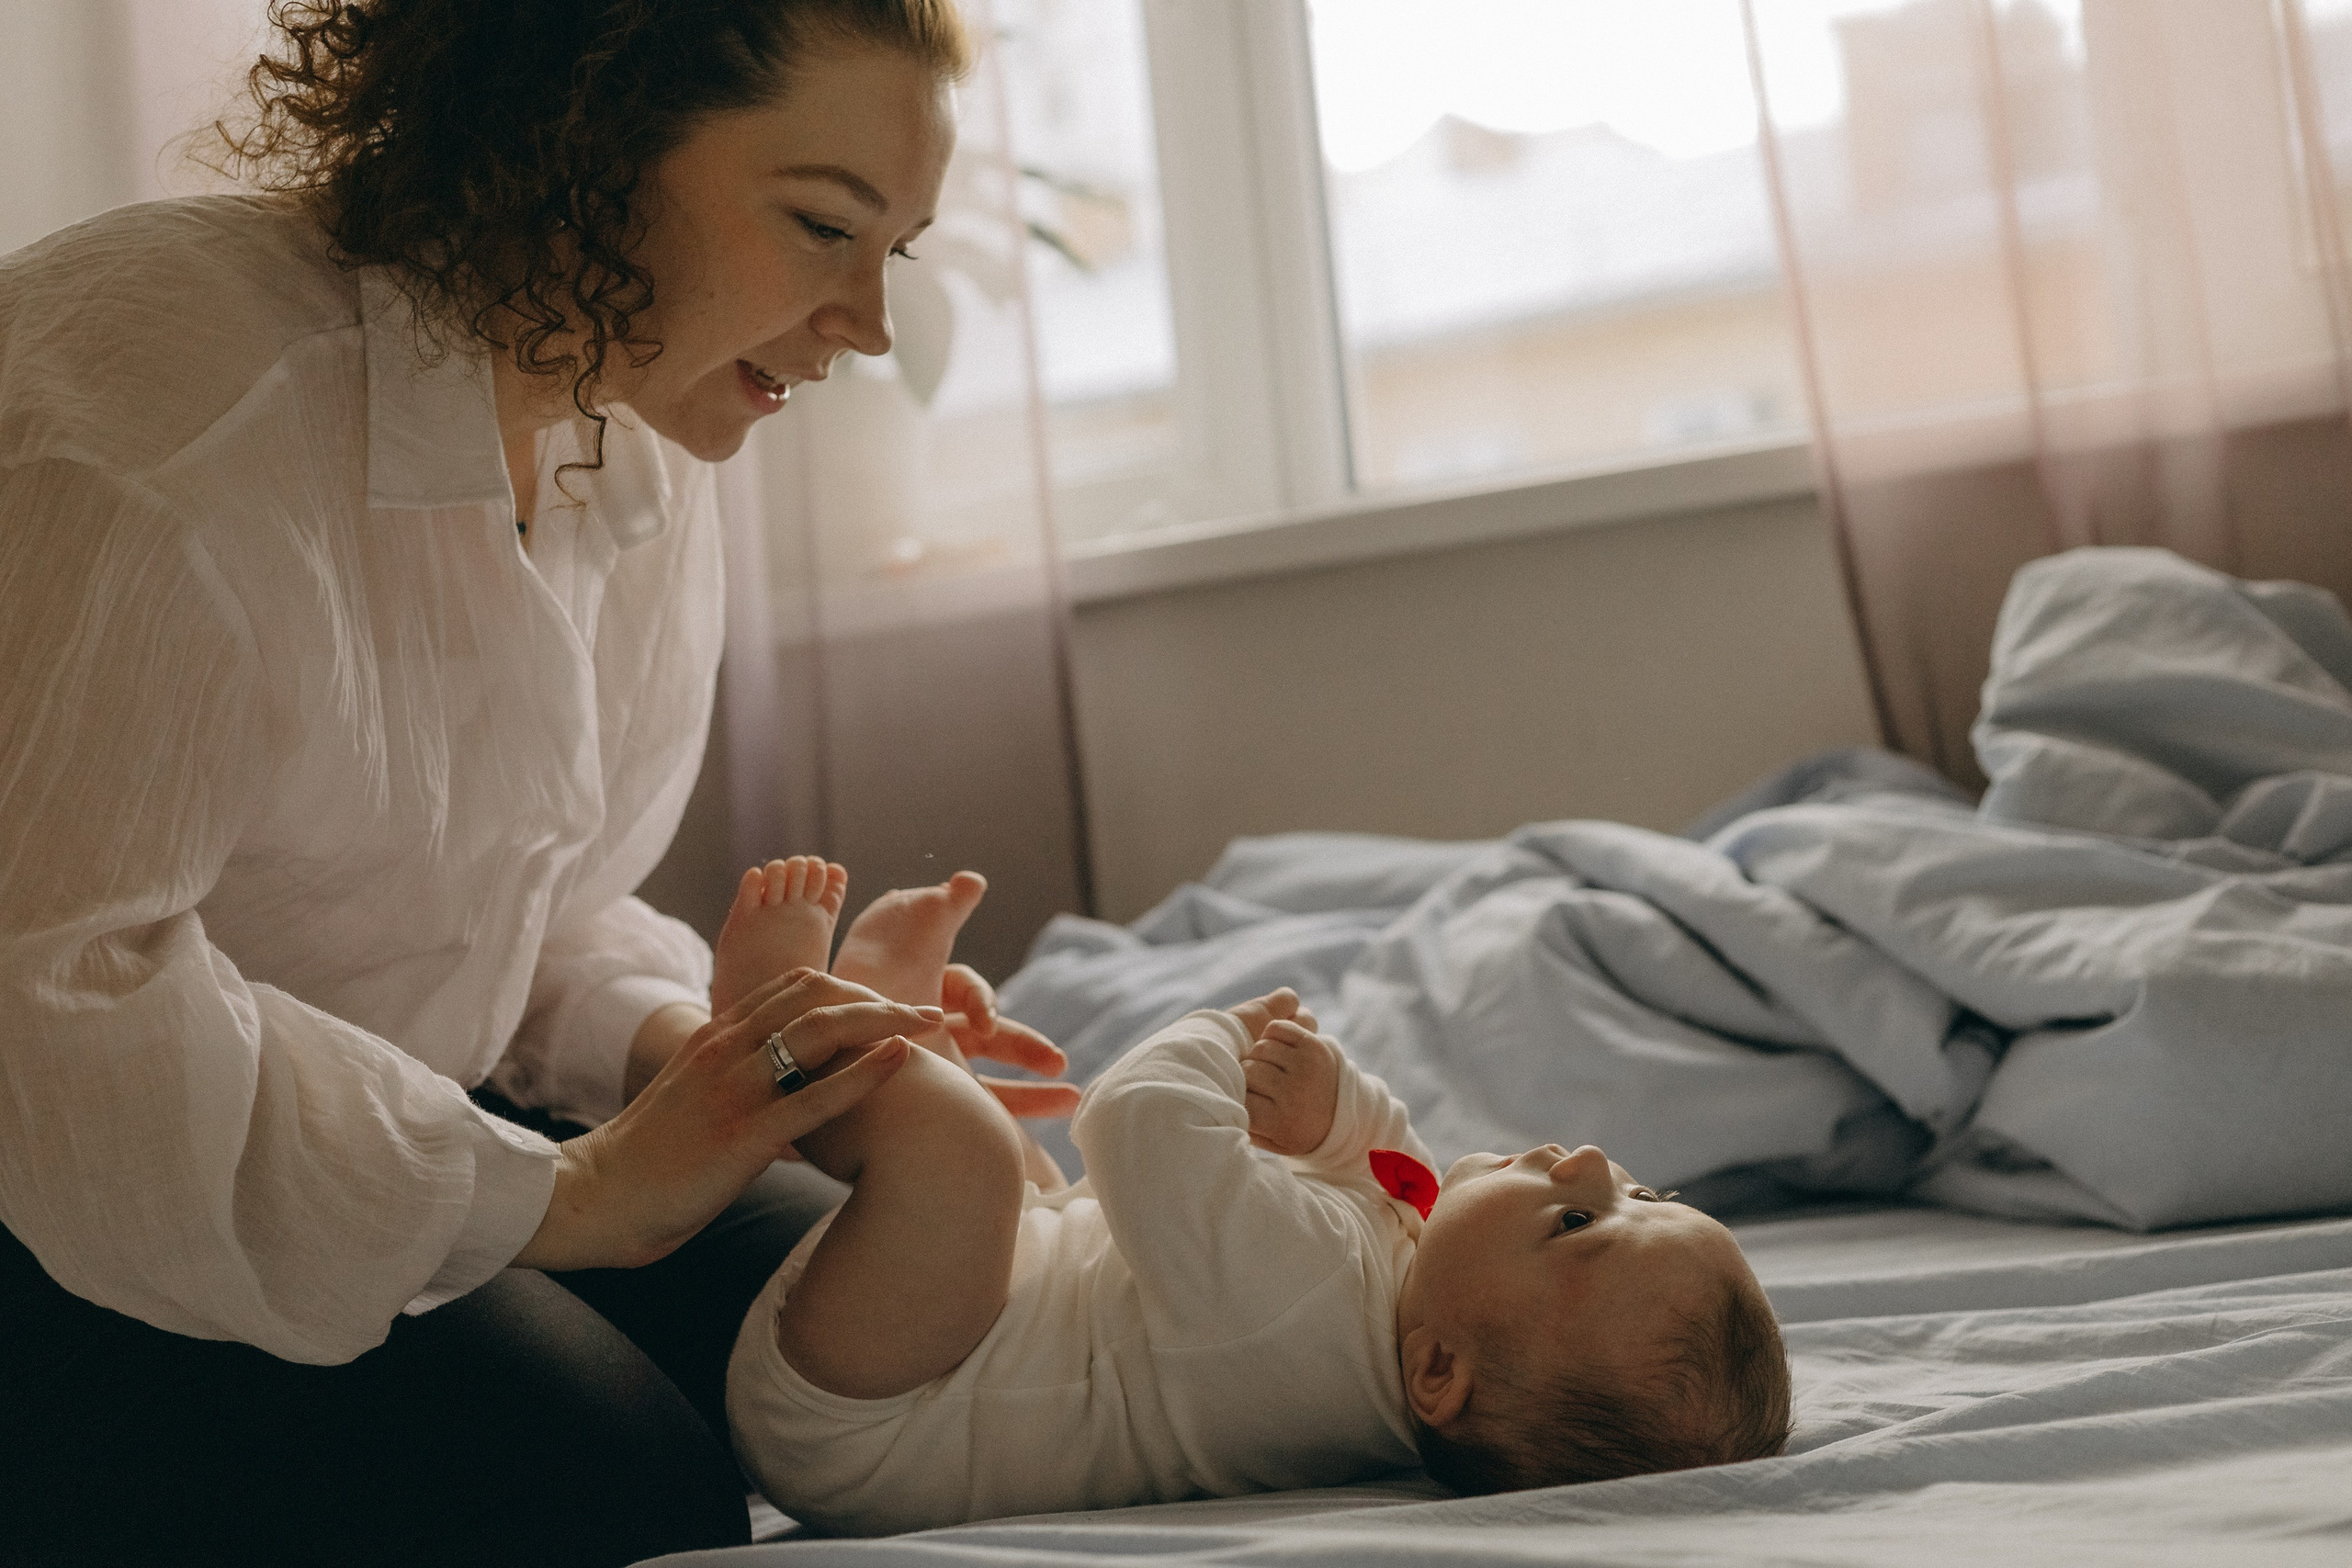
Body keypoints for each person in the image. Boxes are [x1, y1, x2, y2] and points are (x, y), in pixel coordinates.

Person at [0, 4, 1075, 1564]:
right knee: (613, 1490)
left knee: (900, 1335)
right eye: (822, 226)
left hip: (335, 1089)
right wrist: (577, 1197)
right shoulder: (170, 431)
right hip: (53, 1163)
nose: (869, 326)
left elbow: (505, 902)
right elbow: (53, 999)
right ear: (582, 136)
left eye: (893, 249)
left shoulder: (618, 417)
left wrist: (737, 1059)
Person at [712, 860, 1794, 1535]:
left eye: (1578, 1223)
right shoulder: (1424, 1288)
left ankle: (778, 1038)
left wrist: (1222, 1037)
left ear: (1438, 1374)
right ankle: (897, 1024)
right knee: (1027, 1197)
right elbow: (1384, 1163)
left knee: (970, 1160)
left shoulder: (1303, 1304)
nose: (1593, 1160)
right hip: (992, 1322)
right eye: (1643, 1189)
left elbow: (1134, 1119)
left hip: (875, 1414)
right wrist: (1331, 1118)